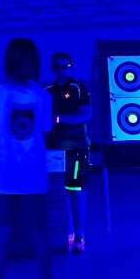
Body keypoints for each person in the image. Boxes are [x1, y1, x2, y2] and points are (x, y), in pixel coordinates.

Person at [0, 38, 58, 279]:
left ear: (8, 62)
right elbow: (44, 134)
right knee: (38, 231)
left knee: (1, 232)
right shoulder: (44, 96)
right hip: (32, 172)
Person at [46, 51, 92, 253]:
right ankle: (65, 234)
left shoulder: (78, 87)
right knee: (58, 192)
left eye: (64, 66)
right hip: (54, 150)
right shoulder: (48, 90)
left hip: (75, 148)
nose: (60, 70)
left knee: (75, 190)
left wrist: (58, 118)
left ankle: (80, 235)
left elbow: (85, 115)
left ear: (71, 66)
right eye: (57, 66)